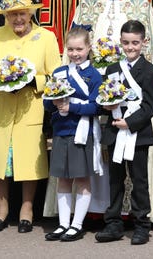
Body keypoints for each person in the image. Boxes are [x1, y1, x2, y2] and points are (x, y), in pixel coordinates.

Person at [68, 0, 153, 224]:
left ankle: (136, 215)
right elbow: (74, 45)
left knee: (131, 162)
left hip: (132, 98)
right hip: (94, 87)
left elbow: (151, 53)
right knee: (100, 150)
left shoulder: (142, 6)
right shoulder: (87, 3)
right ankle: (95, 211)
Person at [0, 0, 61, 233]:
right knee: (0, 161)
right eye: (12, 15)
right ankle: (1, 211)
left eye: (22, 14)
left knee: (27, 162)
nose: (18, 19)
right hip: (1, 106)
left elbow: (56, 74)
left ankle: (27, 210)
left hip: (29, 107)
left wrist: (34, 82)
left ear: (31, 13)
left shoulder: (46, 37)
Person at [94, 20, 153, 245]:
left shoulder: (151, 72)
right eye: (126, 43)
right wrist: (106, 106)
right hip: (114, 131)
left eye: (134, 43)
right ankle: (113, 223)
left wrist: (129, 123)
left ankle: (142, 224)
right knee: (115, 180)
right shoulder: (113, 69)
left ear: (143, 42)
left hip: (137, 134)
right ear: (120, 42)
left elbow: (150, 106)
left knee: (139, 180)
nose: (130, 47)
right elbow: (105, 97)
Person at [43, 27, 102, 242]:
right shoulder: (59, 72)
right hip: (61, 131)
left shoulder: (94, 75)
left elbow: (97, 107)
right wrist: (54, 102)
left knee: (81, 177)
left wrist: (72, 108)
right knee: (63, 178)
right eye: (70, 49)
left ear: (88, 48)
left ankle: (77, 224)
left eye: (79, 49)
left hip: (81, 131)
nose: (75, 53)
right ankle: (63, 224)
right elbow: (46, 102)